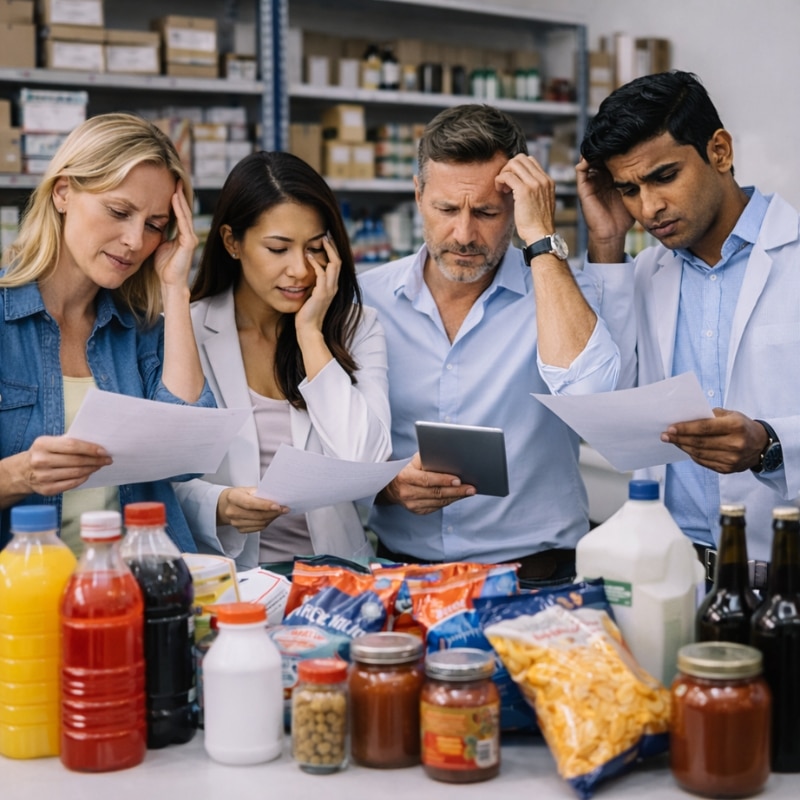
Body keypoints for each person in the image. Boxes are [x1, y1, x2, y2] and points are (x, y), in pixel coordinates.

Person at [358, 104, 621, 586]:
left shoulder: (566, 295)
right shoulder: (365, 300)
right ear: (418, 195)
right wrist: (386, 487)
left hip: (537, 579)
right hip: (402, 576)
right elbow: (335, 443)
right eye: (445, 209)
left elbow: (591, 399)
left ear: (518, 206)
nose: (463, 234)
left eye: (486, 212)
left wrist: (540, 236)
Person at [577, 70, 800, 576]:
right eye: (627, 189)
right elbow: (603, 397)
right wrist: (607, 244)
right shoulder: (643, 274)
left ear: (719, 151)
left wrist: (770, 443)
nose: (649, 208)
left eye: (664, 176)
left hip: (782, 578)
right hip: (671, 573)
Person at [0, 112, 215, 554]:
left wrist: (176, 289)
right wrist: (19, 475)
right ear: (63, 192)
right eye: (119, 212)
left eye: (155, 224)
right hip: (26, 595)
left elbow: (187, 454)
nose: (136, 241)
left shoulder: (139, 329)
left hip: (137, 588)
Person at [174, 151, 392, 569]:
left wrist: (311, 333)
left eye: (314, 249)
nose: (299, 270)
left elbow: (366, 458)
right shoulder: (188, 330)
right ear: (231, 242)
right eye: (278, 249)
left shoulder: (357, 328)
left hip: (334, 579)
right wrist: (218, 504)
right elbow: (159, 476)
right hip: (230, 580)